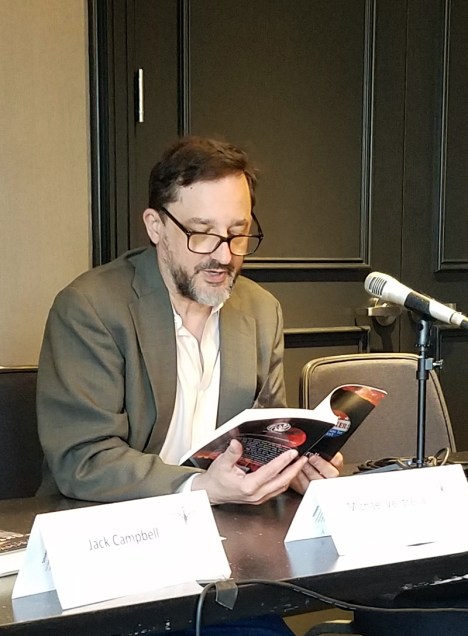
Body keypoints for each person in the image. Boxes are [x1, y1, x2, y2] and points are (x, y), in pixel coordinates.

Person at [37, 136, 342, 635]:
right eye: (202, 234)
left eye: (238, 234)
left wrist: (295, 464)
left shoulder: (261, 310)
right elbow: (82, 460)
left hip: (224, 559)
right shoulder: (91, 308)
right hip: (113, 558)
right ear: (155, 226)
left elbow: (266, 432)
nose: (223, 255)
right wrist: (199, 486)